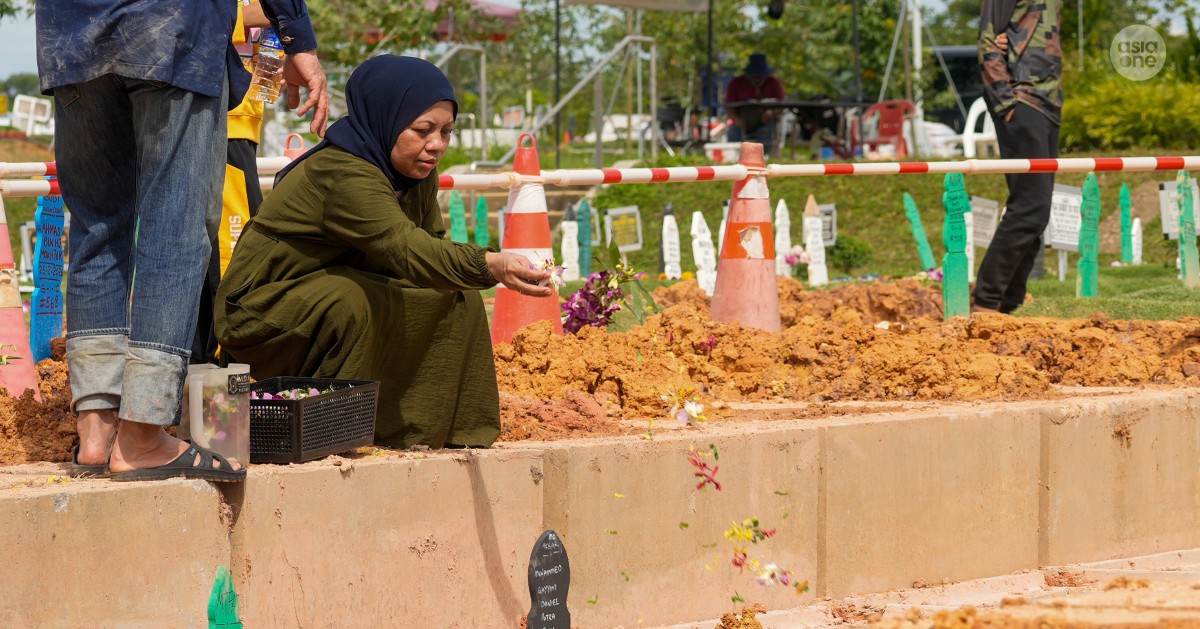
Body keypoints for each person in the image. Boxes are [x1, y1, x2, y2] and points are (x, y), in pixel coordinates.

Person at [38, 0, 329, 481]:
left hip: (72, 35)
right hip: (172, 37)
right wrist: (294, 32)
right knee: (176, 232)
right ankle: (142, 438)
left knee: (96, 227)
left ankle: (98, 433)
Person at [215, 56, 553, 450]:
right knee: (351, 301)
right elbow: (406, 248)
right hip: (260, 311)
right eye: (423, 130)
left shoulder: (414, 172)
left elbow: (432, 247)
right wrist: (489, 263)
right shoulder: (344, 173)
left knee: (455, 297)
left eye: (446, 131)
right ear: (384, 119)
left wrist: (476, 270)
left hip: (336, 288)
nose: (437, 145)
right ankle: (337, 429)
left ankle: (435, 431)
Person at [193, 1, 276, 365]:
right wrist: (277, 12)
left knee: (210, 251)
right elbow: (205, 14)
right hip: (225, 119)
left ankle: (200, 369)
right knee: (233, 253)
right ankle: (223, 365)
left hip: (237, 119)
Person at [972, 0, 1062, 314]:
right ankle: (985, 300)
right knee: (1031, 206)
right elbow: (987, 41)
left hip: (1049, 103)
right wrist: (1004, 102)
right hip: (1021, 100)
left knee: (1039, 211)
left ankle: (1009, 303)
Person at [724, 53, 787, 156]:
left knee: (768, 132)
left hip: (765, 122)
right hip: (741, 120)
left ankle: (762, 156)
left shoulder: (773, 82)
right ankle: (735, 158)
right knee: (733, 133)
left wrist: (771, 113)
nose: (757, 78)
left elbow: (781, 105)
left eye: (760, 76)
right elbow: (729, 106)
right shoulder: (736, 83)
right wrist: (736, 120)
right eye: (754, 76)